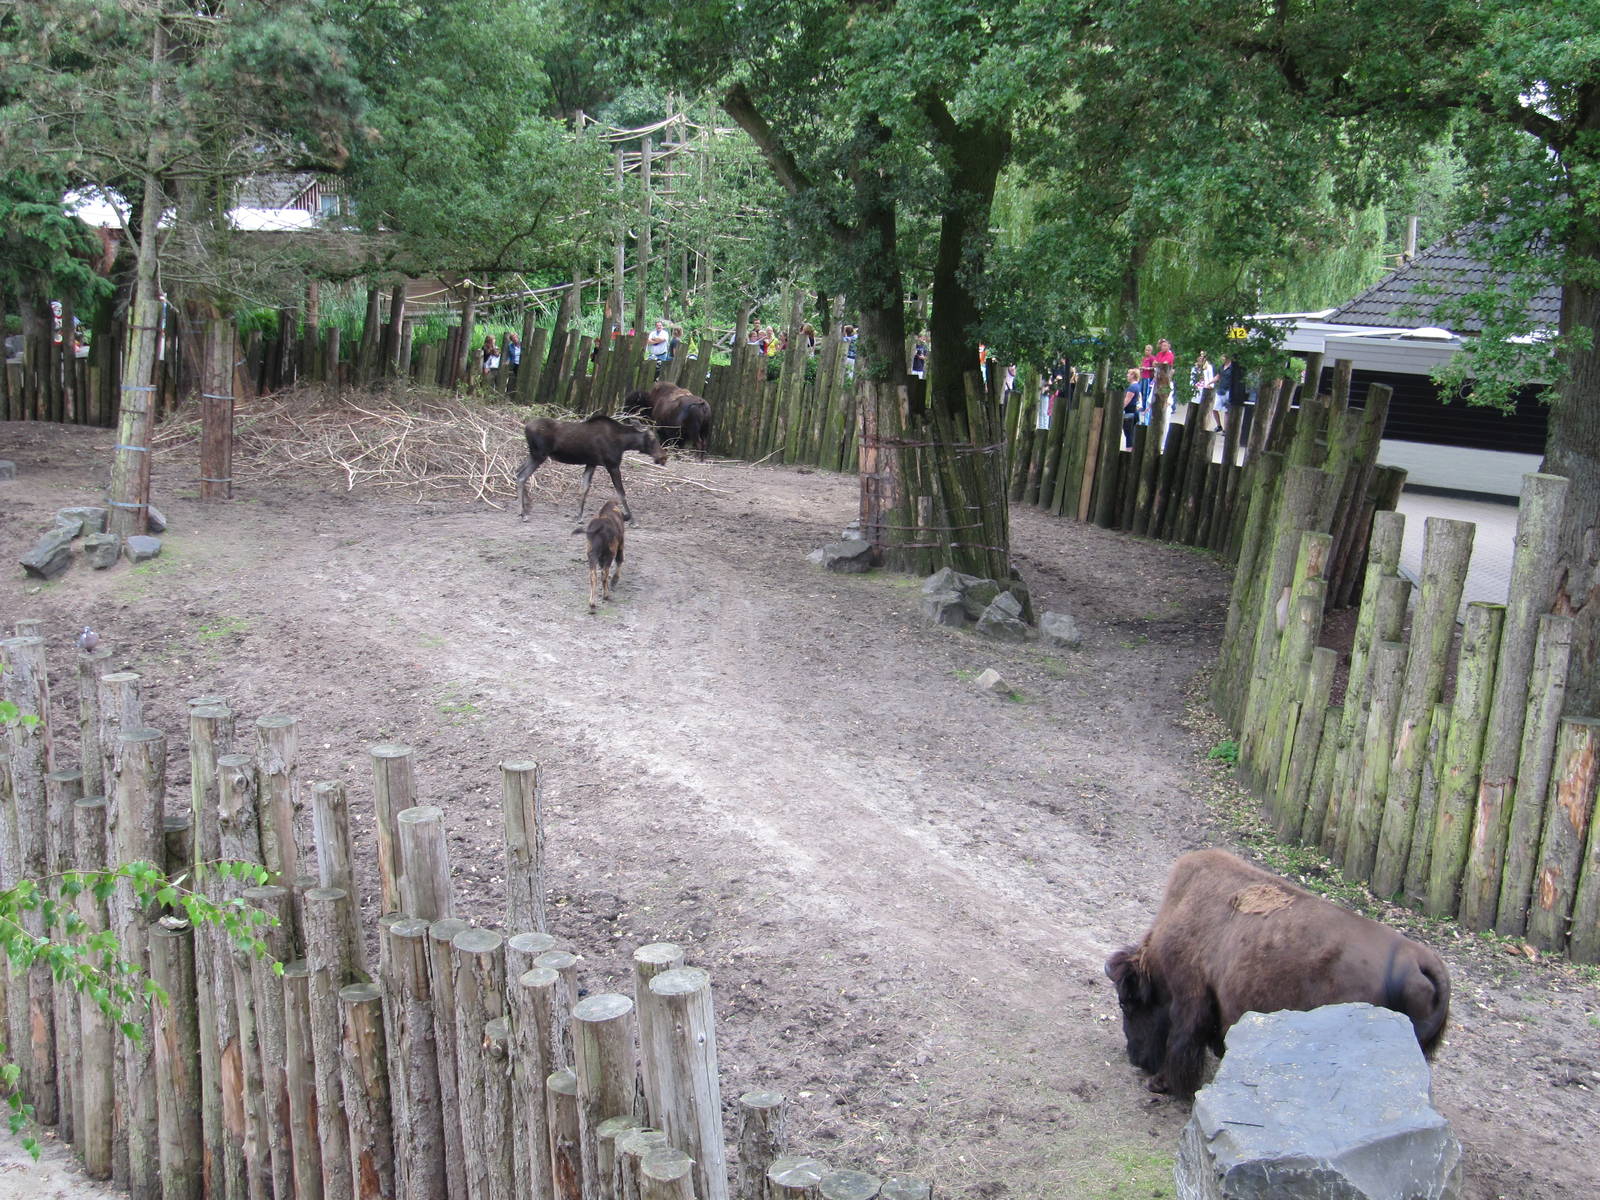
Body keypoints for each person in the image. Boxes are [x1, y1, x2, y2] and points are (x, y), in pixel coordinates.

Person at [1213, 354, 1235, 433]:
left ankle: (1226, 430)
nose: (1222, 359)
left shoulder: (1232, 367)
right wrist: (1210, 382)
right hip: (1220, 390)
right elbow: (1218, 376)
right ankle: (1219, 425)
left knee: (1226, 411)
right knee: (1214, 409)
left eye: (1223, 357)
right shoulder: (1221, 367)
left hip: (1228, 391)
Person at [1122, 367, 1142, 448]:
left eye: (1129, 374)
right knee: (1132, 433)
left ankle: (1129, 451)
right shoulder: (1137, 386)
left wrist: (1118, 410)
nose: (1127, 375)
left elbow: (1126, 401)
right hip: (1134, 412)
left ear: (1133, 375)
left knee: (1129, 434)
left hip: (1130, 413)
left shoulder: (1132, 387)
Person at [1137, 343, 1156, 423]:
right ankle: (1141, 406)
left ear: (1151, 351)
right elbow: (1140, 365)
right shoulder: (1144, 358)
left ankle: (1145, 407)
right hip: (1142, 376)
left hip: (1148, 377)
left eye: (1148, 350)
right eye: (1146, 350)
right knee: (1140, 392)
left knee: (1146, 392)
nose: (1147, 351)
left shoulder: (1152, 358)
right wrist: (1140, 368)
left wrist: (1148, 368)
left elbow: (1155, 367)